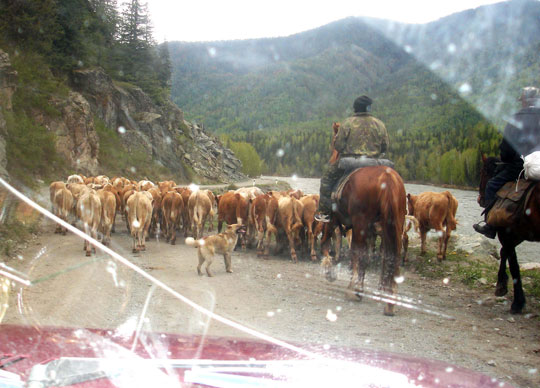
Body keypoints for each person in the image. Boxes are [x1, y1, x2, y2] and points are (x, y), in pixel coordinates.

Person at [473, 86, 540, 238]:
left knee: (491, 185)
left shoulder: (516, 118)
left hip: (520, 166)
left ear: (523, 100)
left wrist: (508, 159)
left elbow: (507, 149)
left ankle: (490, 227)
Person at [316, 95, 389, 222]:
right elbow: (385, 147)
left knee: (326, 180)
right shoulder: (380, 124)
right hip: (374, 163)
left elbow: (338, 146)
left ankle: (325, 212)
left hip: (350, 162)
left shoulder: (347, 123)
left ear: (355, 108)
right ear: (369, 108)